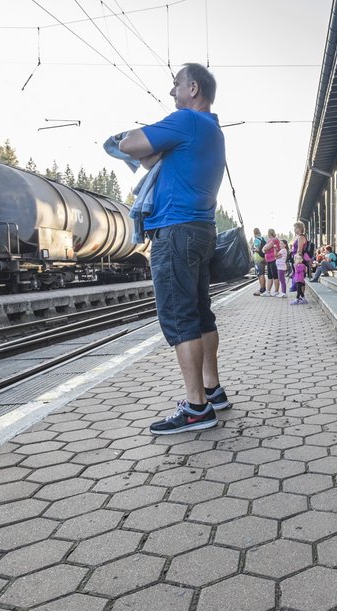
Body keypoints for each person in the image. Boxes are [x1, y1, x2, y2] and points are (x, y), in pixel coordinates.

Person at [117, 63, 232, 435]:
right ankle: (212, 392)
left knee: (181, 318)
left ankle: (197, 408)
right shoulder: (212, 128)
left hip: (176, 231)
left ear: (193, 88)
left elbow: (128, 145)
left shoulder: (185, 120)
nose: (172, 91)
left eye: (176, 84)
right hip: (200, 228)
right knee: (200, 314)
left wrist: (143, 140)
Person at [261, 228, 281, 296]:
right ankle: (268, 291)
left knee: (275, 275)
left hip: (273, 260)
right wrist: (264, 249)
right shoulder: (269, 240)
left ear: (269, 233)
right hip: (269, 260)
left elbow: (266, 248)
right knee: (269, 276)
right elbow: (263, 249)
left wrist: (265, 249)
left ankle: (276, 291)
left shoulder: (274, 240)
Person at [251, 228, 267, 296]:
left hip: (258, 258)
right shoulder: (263, 239)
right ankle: (264, 288)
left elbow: (257, 249)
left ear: (254, 233)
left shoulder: (256, 240)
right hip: (263, 258)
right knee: (262, 274)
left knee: (260, 274)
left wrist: (253, 249)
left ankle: (262, 289)